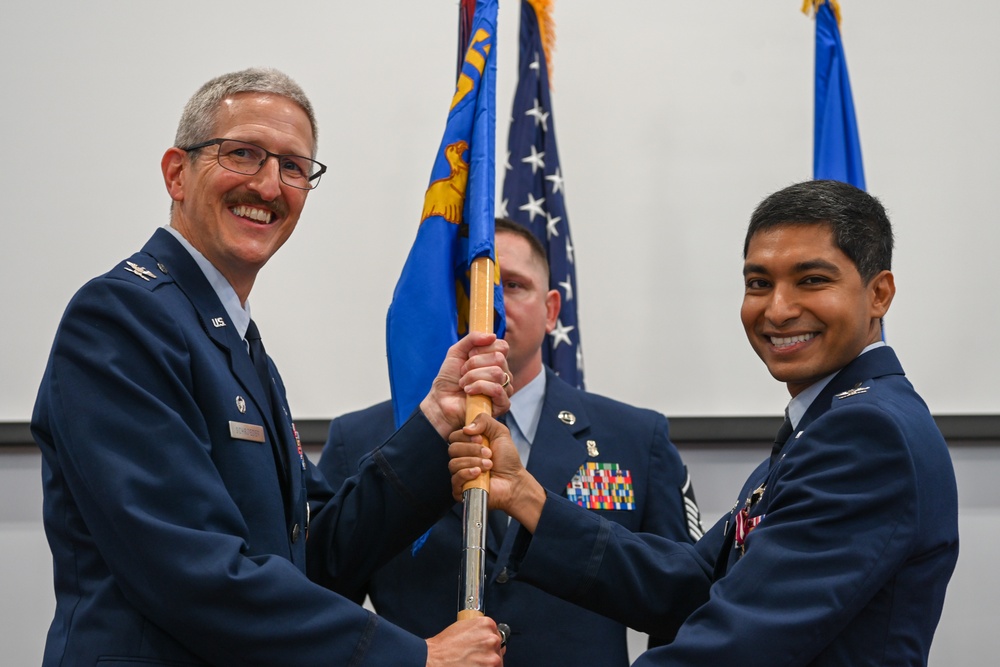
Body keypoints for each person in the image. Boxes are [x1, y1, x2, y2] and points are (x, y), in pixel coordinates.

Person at [31, 68, 512, 667]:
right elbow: (192, 570)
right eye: (243, 154)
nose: (268, 186)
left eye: (293, 167)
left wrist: (435, 422)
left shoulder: (234, 339)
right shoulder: (122, 316)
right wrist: (416, 658)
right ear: (176, 173)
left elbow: (315, 555)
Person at [450, 180, 960, 666]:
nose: (778, 310)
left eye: (812, 280)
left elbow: (740, 642)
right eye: (759, 283)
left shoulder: (867, 433)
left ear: (879, 294)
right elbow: (693, 582)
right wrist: (526, 496)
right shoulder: (826, 421)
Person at [320, 218, 703, 665]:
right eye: (472, 286)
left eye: (514, 285)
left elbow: (687, 604)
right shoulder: (363, 440)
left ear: (552, 309)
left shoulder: (637, 439)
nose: (491, 304)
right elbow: (317, 606)